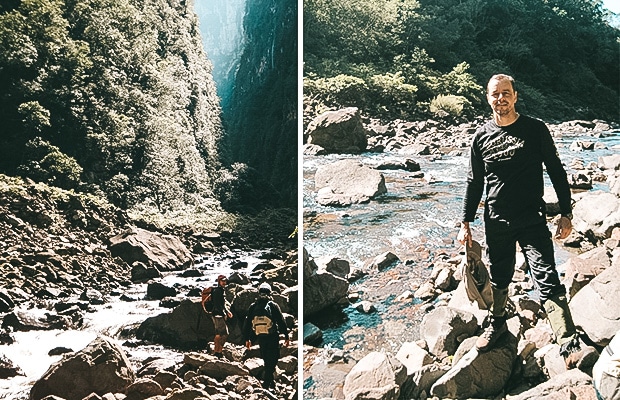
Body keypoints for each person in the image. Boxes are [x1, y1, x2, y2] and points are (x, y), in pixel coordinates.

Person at [457, 74, 592, 368]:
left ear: (516, 96)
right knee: (500, 275)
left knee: (546, 277)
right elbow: (473, 181)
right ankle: (498, 323)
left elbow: (556, 170)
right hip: (496, 220)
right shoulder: (481, 137)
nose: (501, 99)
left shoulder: (535, 130)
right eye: (495, 94)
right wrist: (465, 222)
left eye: (506, 93)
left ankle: (568, 343)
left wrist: (566, 212)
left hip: (532, 218)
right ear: (487, 98)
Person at [243, 282, 289, 390]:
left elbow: (248, 323)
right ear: (270, 293)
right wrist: (286, 336)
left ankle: (270, 382)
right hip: (272, 336)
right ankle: (266, 384)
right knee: (273, 359)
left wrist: (247, 339)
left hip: (261, 337)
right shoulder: (273, 305)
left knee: (266, 359)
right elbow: (281, 322)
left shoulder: (253, 306)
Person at [211, 274, 232, 358]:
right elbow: (217, 304)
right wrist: (223, 314)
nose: (224, 282)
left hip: (216, 314)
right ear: (219, 282)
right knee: (224, 334)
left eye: (225, 281)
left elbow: (221, 304)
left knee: (218, 333)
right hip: (218, 315)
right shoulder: (218, 291)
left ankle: (217, 352)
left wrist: (227, 311)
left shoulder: (219, 290)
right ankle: (218, 352)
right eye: (222, 281)